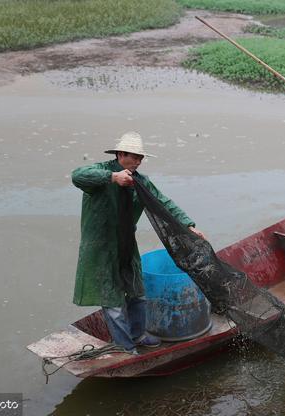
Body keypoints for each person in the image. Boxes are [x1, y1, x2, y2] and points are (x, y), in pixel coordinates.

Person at [71, 131, 205, 354]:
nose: (139, 161)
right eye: (135, 156)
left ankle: (138, 334)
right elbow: (78, 175)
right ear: (121, 154)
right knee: (112, 301)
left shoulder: (139, 182)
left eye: (141, 158)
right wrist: (113, 178)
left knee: (137, 293)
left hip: (126, 246)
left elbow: (164, 204)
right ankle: (125, 347)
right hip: (102, 249)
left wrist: (189, 226)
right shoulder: (102, 172)